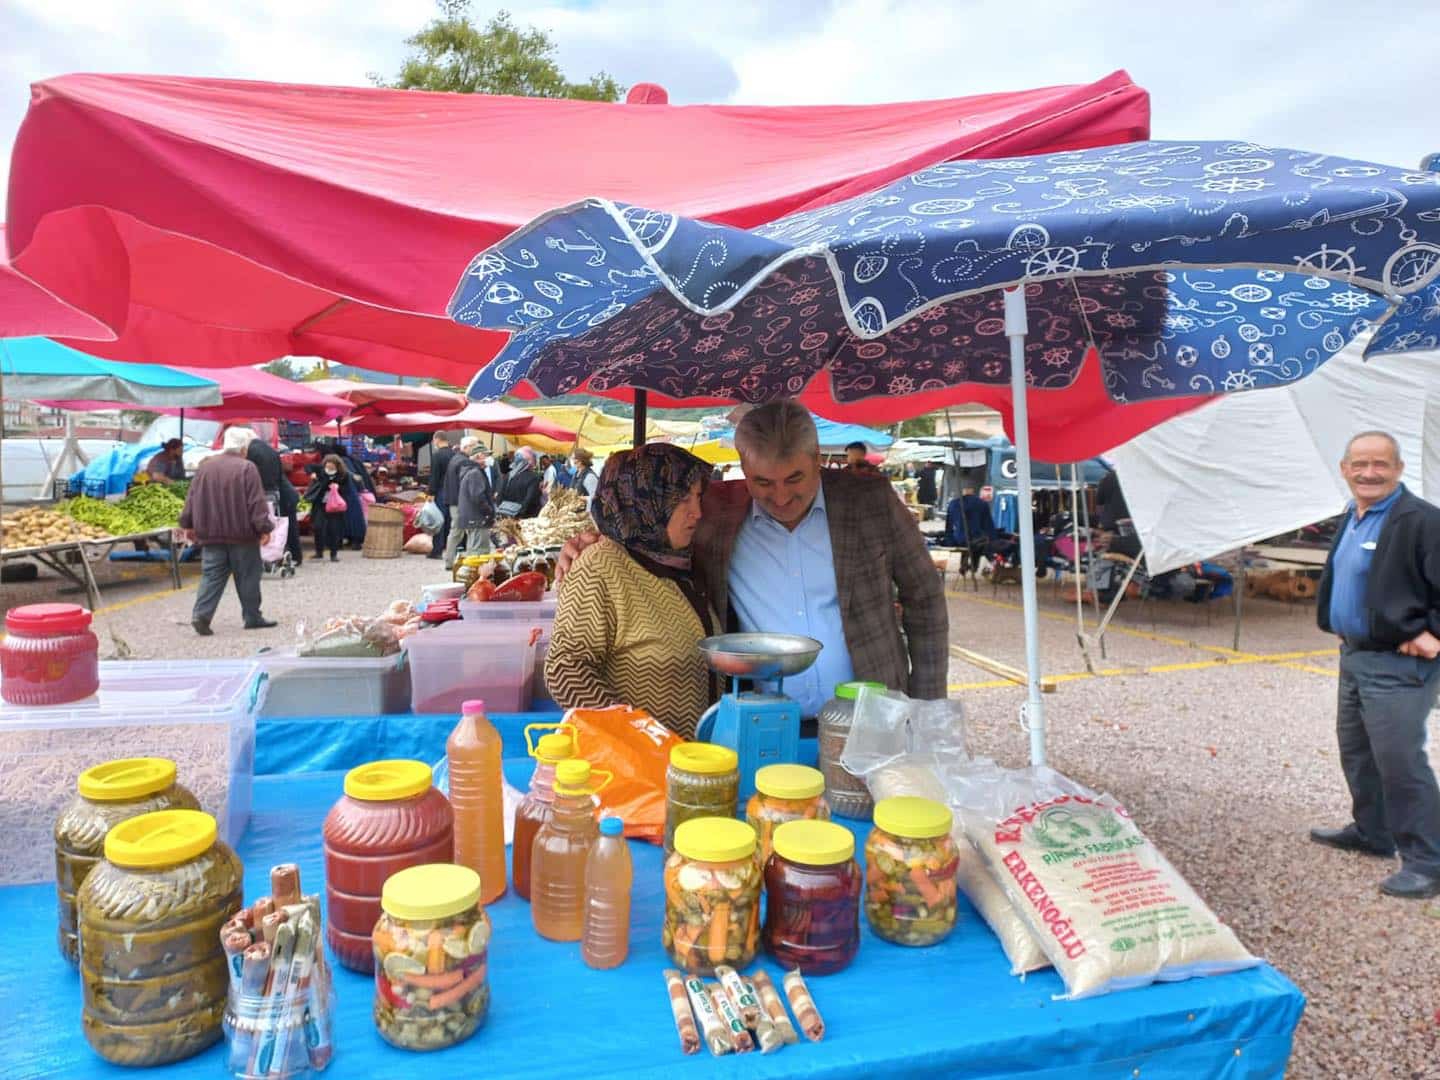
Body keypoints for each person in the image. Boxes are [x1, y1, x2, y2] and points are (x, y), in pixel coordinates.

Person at [561, 400, 947, 712]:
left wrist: (928, 707)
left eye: (794, 479)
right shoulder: (715, 512)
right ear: (743, 470)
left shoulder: (869, 500)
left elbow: (924, 598)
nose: (780, 497)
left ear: (817, 458)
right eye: (763, 482)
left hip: (869, 719)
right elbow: (644, 532)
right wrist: (590, 542)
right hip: (759, 720)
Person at [1311, 431, 1440, 900]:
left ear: (1399, 469)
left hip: (1398, 664)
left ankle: (1427, 862)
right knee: (1358, 751)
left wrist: (1434, 634)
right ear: (1344, 469)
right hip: (1355, 655)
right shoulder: (1353, 515)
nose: (1369, 473)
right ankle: (1373, 832)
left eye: (1380, 464)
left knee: (1401, 761)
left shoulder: (1421, 521)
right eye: (1359, 464)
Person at [546, 444, 713, 737]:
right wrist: (640, 738)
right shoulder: (600, 565)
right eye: (682, 499)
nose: (697, 512)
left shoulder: (682, 563)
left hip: (690, 766)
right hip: (636, 771)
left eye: (699, 497)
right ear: (644, 499)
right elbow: (565, 669)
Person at [179, 427, 275, 635]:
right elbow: (256, 503)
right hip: (242, 535)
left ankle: (201, 615)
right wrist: (264, 528)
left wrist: (187, 523)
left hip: (210, 534)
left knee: (211, 576)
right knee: (248, 576)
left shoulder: (205, 468)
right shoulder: (247, 468)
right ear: (244, 447)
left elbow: (191, 499)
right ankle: (252, 617)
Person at [246, 433, 302, 569]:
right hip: (280, 492)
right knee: (285, 527)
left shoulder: (252, 451)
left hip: (275, 493)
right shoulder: (270, 450)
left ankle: (282, 555)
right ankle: (292, 555)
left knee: (278, 527)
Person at [304, 454, 360, 562]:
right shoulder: (321, 471)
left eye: (332, 466)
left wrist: (338, 488)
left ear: (337, 466)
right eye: (327, 465)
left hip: (335, 506)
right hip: (320, 503)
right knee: (318, 526)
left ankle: (333, 554)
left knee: (334, 529)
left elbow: (347, 490)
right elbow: (308, 467)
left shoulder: (343, 475)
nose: (329, 468)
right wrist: (312, 474)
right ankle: (319, 551)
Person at [442, 437, 481, 569]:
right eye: (474, 447)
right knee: (466, 530)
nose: (477, 450)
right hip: (461, 502)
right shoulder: (465, 462)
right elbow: (468, 484)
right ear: (466, 447)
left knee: (456, 531)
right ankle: (465, 561)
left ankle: (450, 560)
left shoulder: (455, 459)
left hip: (454, 501)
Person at [454, 444, 497, 555]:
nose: (489, 459)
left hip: (472, 518)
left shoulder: (471, 471)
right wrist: (489, 511)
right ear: (478, 457)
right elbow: (477, 497)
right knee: (479, 552)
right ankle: (476, 572)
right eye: (486, 455)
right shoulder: (475, 473)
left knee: (473, 550)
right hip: (477, 519)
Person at [428, 433, 455, 561]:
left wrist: (431, 493)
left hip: (441, 491)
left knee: (439, 520)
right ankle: (452, 549)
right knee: (451, 521)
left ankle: (437, 550)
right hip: (453, 492)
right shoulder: (454, 454)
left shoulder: (437, 455)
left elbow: (434, 476)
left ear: (437, 440)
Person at [499, 446, 543, 520]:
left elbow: (500, 497)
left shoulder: (508, 475)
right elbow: (529, 500)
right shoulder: (534, 478)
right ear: (530, 461)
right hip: (525, 519)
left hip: (506, 517)